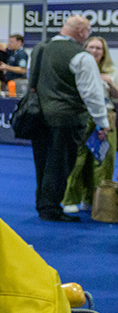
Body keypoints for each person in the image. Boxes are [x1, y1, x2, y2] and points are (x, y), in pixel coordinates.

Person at [29, 15, 108, 222]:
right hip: (66, 118)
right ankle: (51, 208)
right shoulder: (81, 56)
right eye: (88, 31)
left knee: (42, 163)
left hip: (37, 116)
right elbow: (92, 94)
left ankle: (43, 205)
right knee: (61, 164)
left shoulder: (39, 48)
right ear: (81, 31)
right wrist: (102, 122)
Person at [62, 34, 118, 214]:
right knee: (79, 159)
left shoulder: (112, 70)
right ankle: (71, 199)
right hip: (82, 115)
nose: (94, 51)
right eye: (91, 47)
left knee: (104, 160)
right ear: (85, 49)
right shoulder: (77, 67)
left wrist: (111, 83)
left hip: (107, 116)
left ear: (104, 52)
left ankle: (95, 200)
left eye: (98, 48)